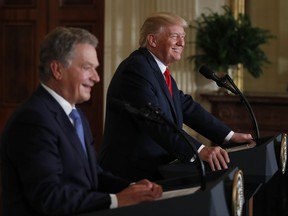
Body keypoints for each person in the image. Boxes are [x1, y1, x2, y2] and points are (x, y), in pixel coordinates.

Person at [0, 27, 162, 216]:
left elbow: (92, 173)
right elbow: (49, 196)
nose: (96, 77)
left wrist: (132, 188)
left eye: (96, 68)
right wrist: (117, 200)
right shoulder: (33, 120)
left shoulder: (76, 115)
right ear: (57, 69)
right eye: (87, 68)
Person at [98, 12, 254, 182]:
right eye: (175, 36)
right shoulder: (136, 68)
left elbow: (186, 107)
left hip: (151, 169)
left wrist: (229, 135)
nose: (182, 43)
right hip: (129, 174)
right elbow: (154, 120)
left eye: (183, 37)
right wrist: (199, 149)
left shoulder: (158, 71)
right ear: (152, 40)